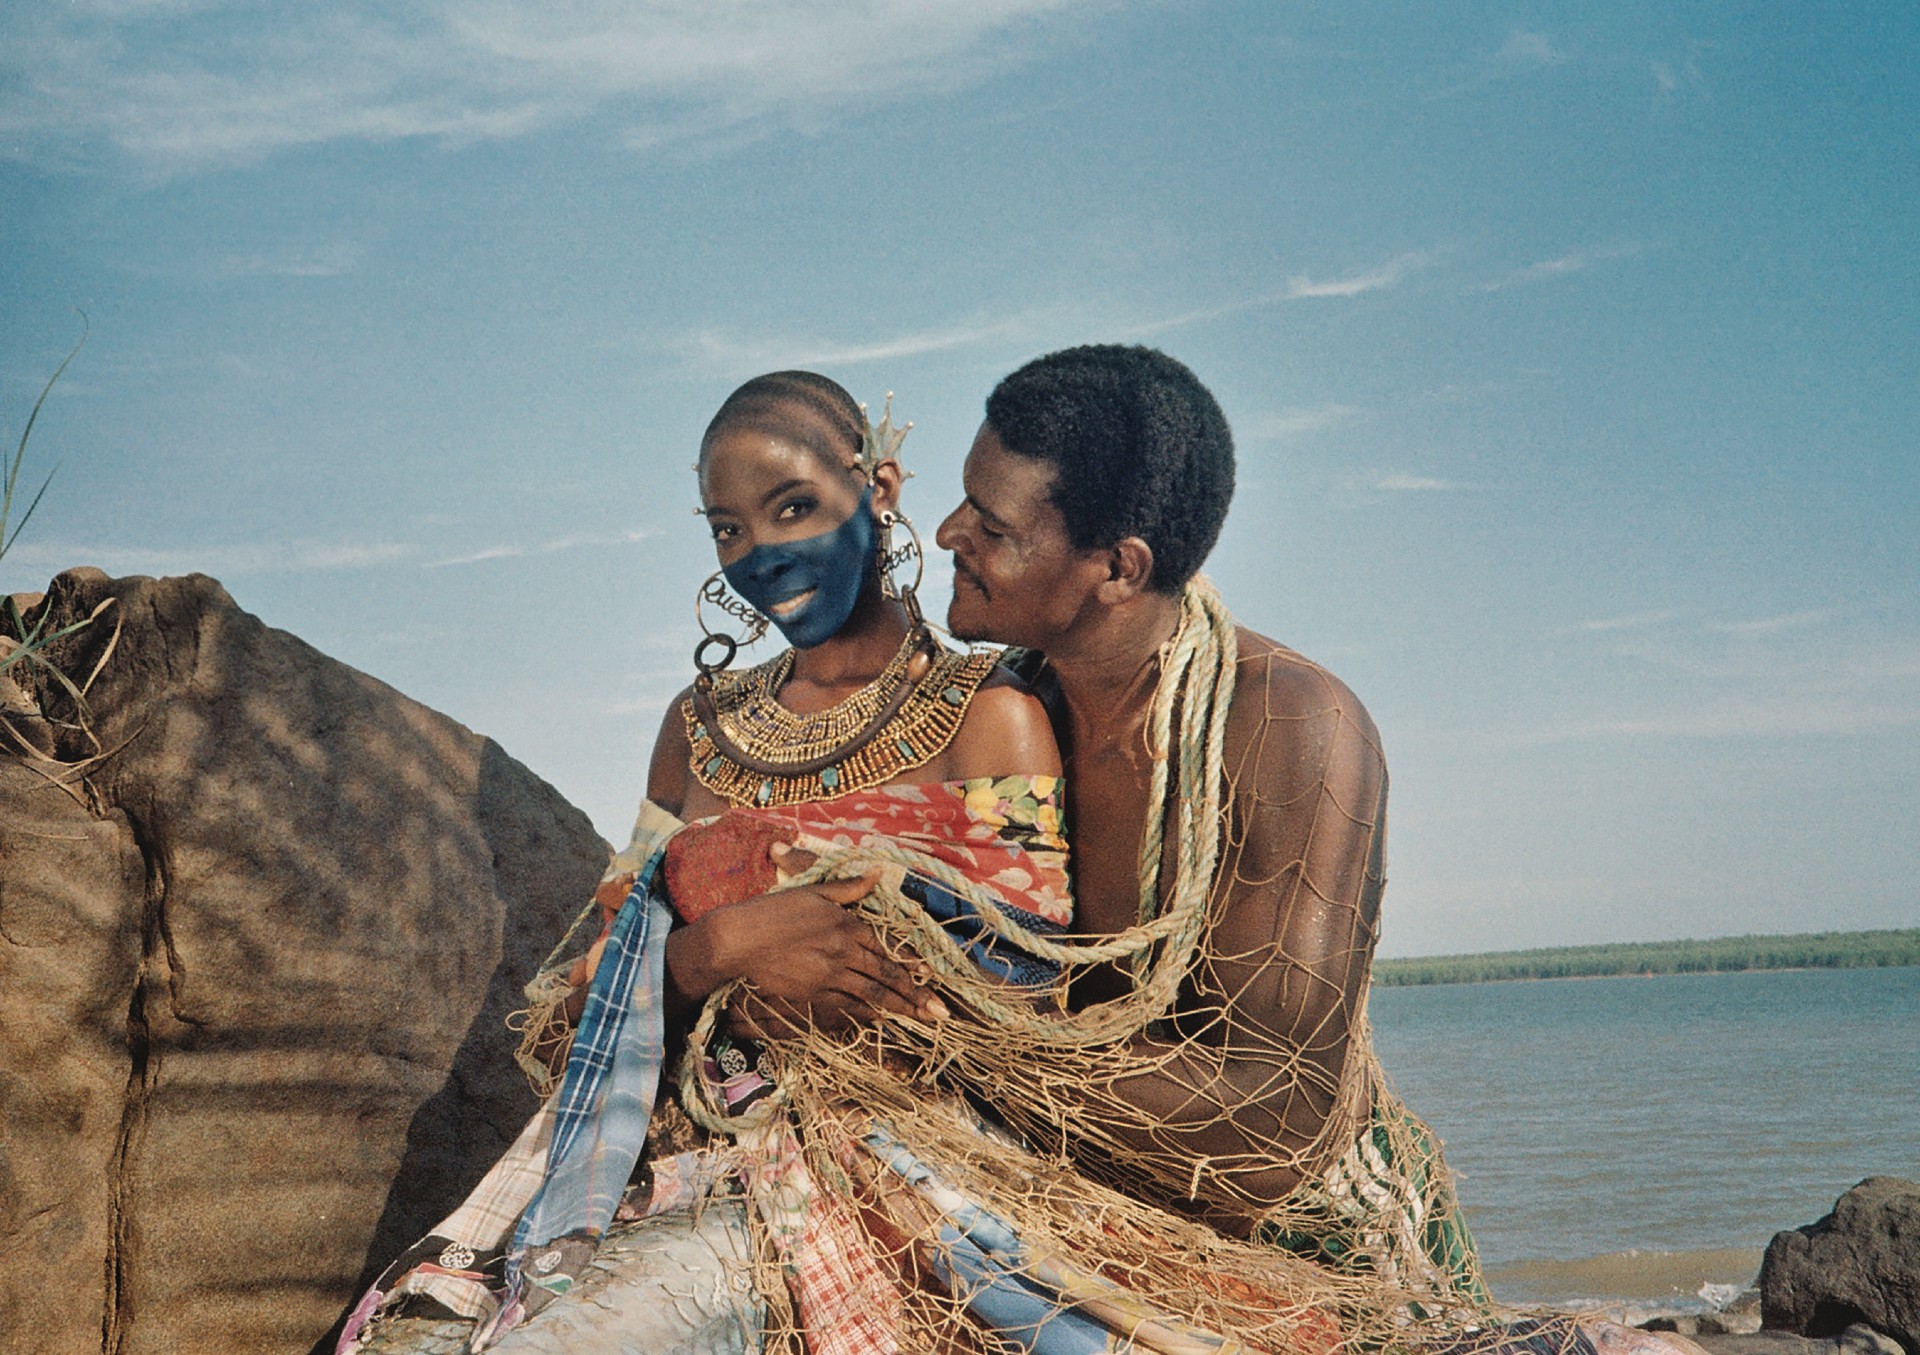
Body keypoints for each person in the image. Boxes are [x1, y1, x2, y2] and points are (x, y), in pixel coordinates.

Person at [338, 372, 1073, 1353]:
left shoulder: (993, 720)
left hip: (880, 1178)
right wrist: (711, 952)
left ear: (882, 487)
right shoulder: (696, 732)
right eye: (728, 528)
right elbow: (571, 1018)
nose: (760, 553)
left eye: (795, 507)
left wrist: (833, 1010)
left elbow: (1032, 1020)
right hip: (640, 1165)